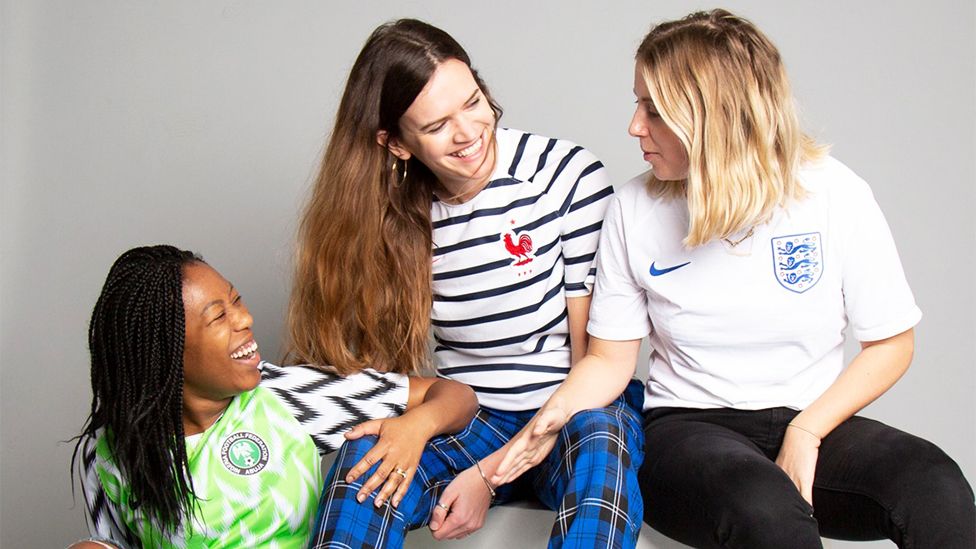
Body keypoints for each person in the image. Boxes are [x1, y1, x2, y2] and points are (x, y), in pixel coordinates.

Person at [494, 9, 976, 549]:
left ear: (711, 116)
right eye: (637, 104)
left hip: (812, 418)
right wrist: (550, 418)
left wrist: (808, 430)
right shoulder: (634, 209)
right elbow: (609, 359)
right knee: (765, 510)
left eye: (653, 110)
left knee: (937, 485)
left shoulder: (833, 191)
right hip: (686, 433)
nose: (634, 126)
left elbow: (892, 343)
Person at [288, 18, 644, 549]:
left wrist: (488, 474)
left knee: (602, 449)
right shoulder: (384, 217)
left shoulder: (564, 174)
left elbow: (591, 360)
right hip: (469, 415)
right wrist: (414, 431)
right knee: (361, 473)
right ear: (397, 144)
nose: (469, 132)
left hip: (572, 407)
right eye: (436, 126)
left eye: (473, 101)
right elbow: (371, 378)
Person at [68, 245, 477, 549]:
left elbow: (456, 396)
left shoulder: (284, 397)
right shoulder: (109, 450)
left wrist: (416, 427)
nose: (245, 319)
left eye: (236, 301)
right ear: (167, 352)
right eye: (219, 317)